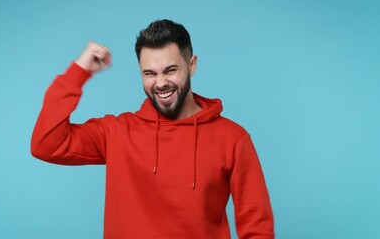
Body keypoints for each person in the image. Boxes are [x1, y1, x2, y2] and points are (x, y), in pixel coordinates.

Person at [31, 19, 274, 239]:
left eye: (170, 70)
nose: (160, 83)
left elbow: (257, 226)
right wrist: (79, 71)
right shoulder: (116, 132)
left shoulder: (232, 138)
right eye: (149, 73)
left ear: (192, 66)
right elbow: (46, 144)